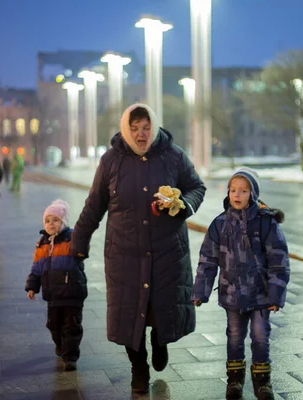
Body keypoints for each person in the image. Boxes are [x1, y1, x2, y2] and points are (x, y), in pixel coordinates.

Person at [71, 103, 206, 394]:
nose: (141, 134)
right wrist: (78, 242)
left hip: (167, 253)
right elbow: (94, 205)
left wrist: (182, 204)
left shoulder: (173, 156)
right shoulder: (111, 161)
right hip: (124, 254)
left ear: (154, 127)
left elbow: (197, 187)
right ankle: (138, 367)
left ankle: (160, 340)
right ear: (126, 129)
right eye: (135, 129)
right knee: (128, 315)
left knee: (161, 309)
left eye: (146, 128)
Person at [192, 168, 290, 400]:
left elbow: (279, 260)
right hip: (232, 294)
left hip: (261, 295)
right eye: (233, 190)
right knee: (234, 336)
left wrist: (276, 295)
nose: (237, 195)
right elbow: (208, 260)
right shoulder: (220, 224)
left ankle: (262, 382)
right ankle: (234, 380)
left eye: (243, 191)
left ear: (252, 194)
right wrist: (200, 291)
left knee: (260, 336)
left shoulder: (266, 224)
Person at [25, 199, 87, 372]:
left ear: (64, 222)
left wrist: (81, 248)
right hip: (53, 294)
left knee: (72, 325)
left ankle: (70, 356)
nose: (51, 224)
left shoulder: (72, 238)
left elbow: (82, 248)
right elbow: (36, 267)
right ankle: (60, 345)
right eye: (47, 221)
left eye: (56, 220)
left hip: (73, 292)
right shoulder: (42, 244)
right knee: (53, 325)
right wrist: (32, 286)